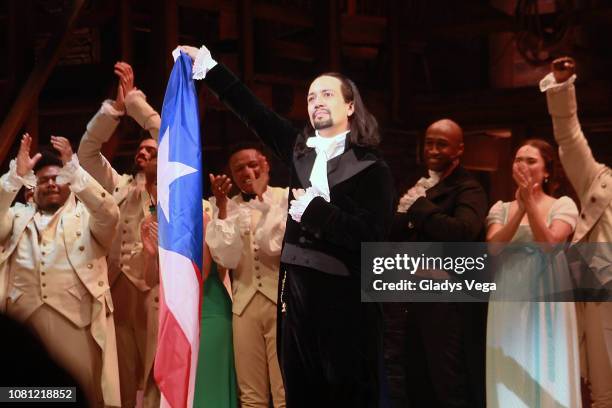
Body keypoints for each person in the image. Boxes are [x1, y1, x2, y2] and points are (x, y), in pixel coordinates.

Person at [180, 44, 395, 407]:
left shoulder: (373, 169)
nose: (317, 101)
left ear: (351, 106)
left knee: (348, 393)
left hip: (345, 300)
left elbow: (372, 236)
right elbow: (254, 112)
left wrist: (316, 212)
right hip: (295, 297)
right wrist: (209, 67)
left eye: (327, 94)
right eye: (311, 97)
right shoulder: (300, 152)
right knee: (300, 393)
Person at [0, 134, 120, 407]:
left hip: (77, 325)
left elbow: (110, 214)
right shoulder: (15, 217)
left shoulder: (86, 219)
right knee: (18, 397)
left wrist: (76, 170)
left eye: (58, 178)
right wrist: (14, 178)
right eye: (43, 180)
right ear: (33, 187)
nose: (51, 183)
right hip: (22, 330)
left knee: (73, 395)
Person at [77, 61, 160, 407]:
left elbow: (170, 132)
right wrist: (115, 111)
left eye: (151, 150)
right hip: (118, 289)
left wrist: (137, 105)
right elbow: (86, 154)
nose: (142, 153)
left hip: (157, 291)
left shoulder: (176, 190)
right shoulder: (121, 185)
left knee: (158, 376)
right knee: (122, 381)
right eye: (140, 150)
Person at [390, 118, 488, 408]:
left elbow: (463, 233)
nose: (432, 149)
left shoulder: (469, 188)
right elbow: (392, 231)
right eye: (429, 142)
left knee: (448, 382)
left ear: (458, 149)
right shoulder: (419, 184)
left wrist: (418, 208)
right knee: (412, 379)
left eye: (441, 144)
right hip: (409, 295)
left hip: (445, 298)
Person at [486, 139, 581, 407]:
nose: (523, 165)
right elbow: (493, 247)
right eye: (518, 159)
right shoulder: (501, 208)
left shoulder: (563, 204)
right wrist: (519, 210)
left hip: (547, 287)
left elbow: (549, 244)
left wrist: (531, 204)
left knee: (545, 357)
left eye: (531, 160)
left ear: (547, 170)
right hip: (509, 288)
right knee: (511, 352)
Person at [139, 153, 238, 408]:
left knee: (207, 391)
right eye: (157, 184)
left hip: (207, 312)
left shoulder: (199, 218)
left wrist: (170, 246)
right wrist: (152, 256)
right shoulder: (150, 223)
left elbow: (201, 274)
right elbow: (149, 280)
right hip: (172, 313)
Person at [541, 57, 612, 407]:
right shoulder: (599, 181)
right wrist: (562, 85)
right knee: (603, 394)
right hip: (605, 296)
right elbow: (569, 138)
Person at [205, 143, 287, 408]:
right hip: (244, 305)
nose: (246, 172)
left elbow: (274, 247)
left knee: (284, 389)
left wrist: (263, 197)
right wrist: (222, 205)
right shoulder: (225, 208)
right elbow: (225, 258)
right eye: (238, 168)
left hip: (281, 305)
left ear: (266, 165)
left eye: (252, 164)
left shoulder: (285, 198)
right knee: (251, 395)